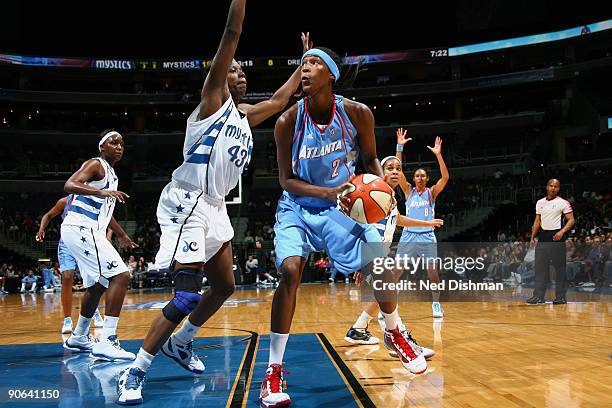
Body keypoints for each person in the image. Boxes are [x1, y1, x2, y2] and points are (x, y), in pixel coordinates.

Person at [117, 1, 313, 404]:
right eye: (234, 69)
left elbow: (278, 103)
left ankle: (182, 343)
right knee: (187, 295)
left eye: (243, 71)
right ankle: (134, 372)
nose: (240, 73)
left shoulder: (243, 116)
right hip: (187, 200)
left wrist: (303, 64)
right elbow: (231, 35)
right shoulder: (211, 103)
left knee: (225, 285)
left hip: (215, 206)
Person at [260, 47, 427, 408]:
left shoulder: (357, 113)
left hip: (344, 206)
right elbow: (286, 180)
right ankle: (273, 370)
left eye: (313, 64)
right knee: (290, 271)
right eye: (302, 64)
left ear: (331, 74)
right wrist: (329, 191)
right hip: (299, 207)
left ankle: (395, 332)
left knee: (379, 263)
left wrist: (380, 191)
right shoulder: (287, 121)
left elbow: (369, 159)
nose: (304, 71)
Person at [344, 155, 442, 361]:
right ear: (381, 172)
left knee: (384, 294)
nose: (395, 171)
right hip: (371, 254)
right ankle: (399, 339)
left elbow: (398, 219)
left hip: (377, 253)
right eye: (390, 168)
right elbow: (362, 227)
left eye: (398, 168)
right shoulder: (373, 193)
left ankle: (358, 328)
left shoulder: (390, 196)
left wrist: (427, 223)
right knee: (388, 292)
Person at [61, 130, 138, 361]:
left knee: (98, 284)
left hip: (88, 229)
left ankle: (79, 336)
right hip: (80, 227)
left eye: (122, 144)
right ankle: (107, 341)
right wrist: (102, 191)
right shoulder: (96, 164)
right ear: (102, 147)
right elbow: (70, 184)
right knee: (122, 276)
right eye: (114, 143)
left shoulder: (112, 175)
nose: (119, 147)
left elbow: (107, 212)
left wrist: (122, 235)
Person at [395, 128, 449, 318]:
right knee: (396, 271)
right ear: (413, 178)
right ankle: (388, 305)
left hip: (426, 236)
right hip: (409, 235)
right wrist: (399, 146)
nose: (419, 178)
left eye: (423, 176)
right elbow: (397, 169)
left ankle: (436, 304)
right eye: (417, 175)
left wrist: (439, 155)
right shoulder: (408, 191)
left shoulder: (431, 192)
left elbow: (445, 178)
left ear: (426, 179)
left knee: (432, 272)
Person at [36, 195, 104, 333]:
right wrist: (41, 229)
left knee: (91, 281)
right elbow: (48, 215)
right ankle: (67, 320)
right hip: (67, 242)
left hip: (86, 242)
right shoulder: (64, 201)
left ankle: (94, 312)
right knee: (67, 277)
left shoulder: (92, 201)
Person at [526, 179, 575, 304]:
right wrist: (532, 237)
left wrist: (562, 232)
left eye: (556, 186)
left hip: (557, 235)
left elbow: (571, 220)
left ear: (559, 188)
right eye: (551, 186)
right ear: (547, 187)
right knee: (540, 267)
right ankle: (538, 296)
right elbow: (537, 221)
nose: (553, 188)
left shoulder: (563, 202)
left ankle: (560, 297)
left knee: (559, 268)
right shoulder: (540, 202)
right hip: (543, 236)